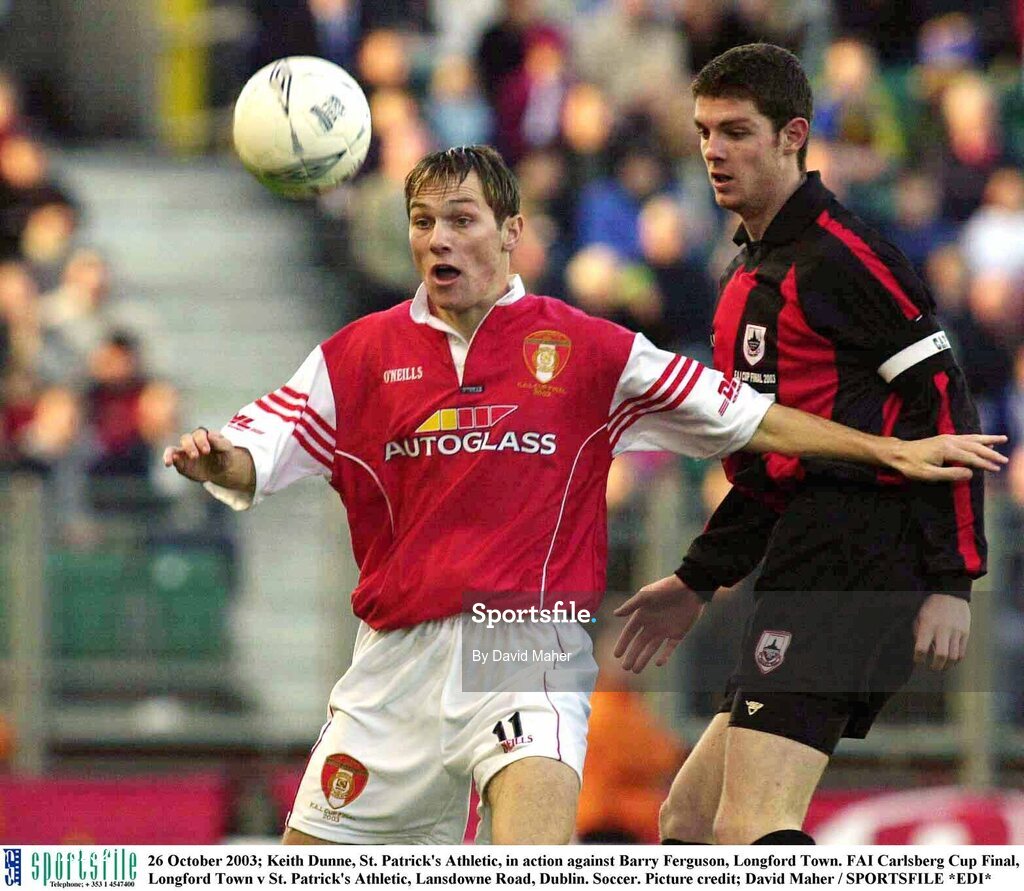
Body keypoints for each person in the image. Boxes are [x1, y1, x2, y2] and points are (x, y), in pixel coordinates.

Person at [164, 145, 1005, 846]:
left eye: (460, 220)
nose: (437, 240)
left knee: (533, 865)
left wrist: (889, 447)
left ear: (512, 232)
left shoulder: (590, 349)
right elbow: (255, 452)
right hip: (392, 663)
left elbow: (752, 419)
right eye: (423, 223)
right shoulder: (354, 356)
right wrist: (217, 459)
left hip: (521, 642)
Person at [614, 44, 998, 847]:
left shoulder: (843, 256)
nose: (714, 150)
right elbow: (767, 467)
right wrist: (696, 578)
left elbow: (942, 399)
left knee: (753, 825)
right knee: (686, 820)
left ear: (794, 135)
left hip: (858, 560)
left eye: (738, 131)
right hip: (802, 561)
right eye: (704, 130)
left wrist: (953, 580)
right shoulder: (751, 275)